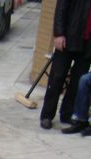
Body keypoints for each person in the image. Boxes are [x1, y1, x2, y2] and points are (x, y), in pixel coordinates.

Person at [39, 0, 91, 130]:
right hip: (68, 36)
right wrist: (59, 33)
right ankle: (47, 115)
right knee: (57, 77)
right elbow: (61, 9)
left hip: (87, 43)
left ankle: (67, 113)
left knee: (78, 80)